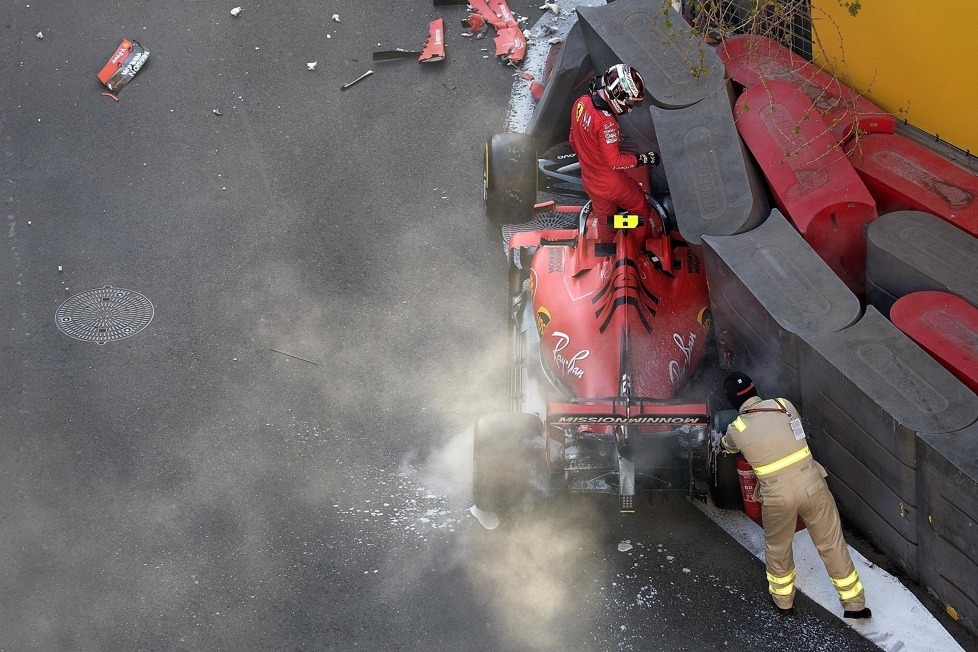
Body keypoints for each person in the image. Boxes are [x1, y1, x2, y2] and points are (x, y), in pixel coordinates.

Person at [720, 371, 872, 619]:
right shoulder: (783, 405)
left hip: (778, 495)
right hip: (813, 483)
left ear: (731, 401)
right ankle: (855, 604)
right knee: (831, 543)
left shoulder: (737, 429)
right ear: (754, 388)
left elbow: (728, 445)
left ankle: (784, 602)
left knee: (779, 547)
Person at [569, 63, 662, 242]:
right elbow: (615, 161)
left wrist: (590, 156)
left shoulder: (580, 102)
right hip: (611, 182)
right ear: (618, 96)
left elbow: (573, 140)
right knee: (641, 210)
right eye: (629, 101)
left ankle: (609, 253)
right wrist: (644, 158)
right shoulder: (607, 122)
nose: (630, 106)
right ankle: (639, 247)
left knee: (606, 222)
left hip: (589, 180)